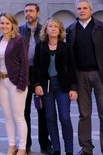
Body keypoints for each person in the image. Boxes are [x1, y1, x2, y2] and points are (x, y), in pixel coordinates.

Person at [66, 0, 103, 155]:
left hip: (101, 75)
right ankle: (86, 148)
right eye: (79, 8)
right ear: (76, 11)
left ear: (91, 10)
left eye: (85, 8)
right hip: (80, 76)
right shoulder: (70, 30)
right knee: (84, 114)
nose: (82, 10)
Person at [33, 17, 78, 155]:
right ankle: (56, 150)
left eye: (55, 27)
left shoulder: (66, 47)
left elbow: (72, 68)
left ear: (59, 30)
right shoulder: (40, 46)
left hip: (62, 85)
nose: (53, 29)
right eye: (50, 26)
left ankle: (69, 150)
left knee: (65, 118)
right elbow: (36, 68)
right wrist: (36, 85)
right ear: (46, 29)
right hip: (46, 86)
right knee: (50, 118)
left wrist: (74, 88)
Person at [18, 3, 52, 154]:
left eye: (31, 11)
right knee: (23, 112)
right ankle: (26, 144)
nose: (28, 13)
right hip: (24, 74)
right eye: (26, 11)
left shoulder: (45, 31)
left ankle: (45, 144)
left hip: (40, 75)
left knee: (42, 111)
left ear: (38, 13)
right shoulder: (18, 31)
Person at [0, 13, 29, 155]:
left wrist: (22, 84)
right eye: (2, 23)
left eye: (7, 23)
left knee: (19, 116)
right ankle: (12, 145)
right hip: (2, 82)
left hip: (15, 82)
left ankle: (22, 147)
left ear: (13, 24)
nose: (4, 26)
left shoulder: (19, 40)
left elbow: (24, 63)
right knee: (7, 116)